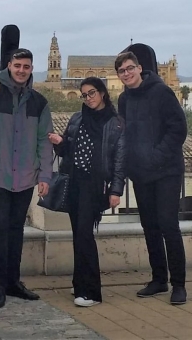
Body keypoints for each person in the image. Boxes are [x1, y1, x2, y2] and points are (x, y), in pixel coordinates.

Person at [0, 48, 53, 308]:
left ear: (31, 68)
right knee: (0, 229)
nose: (21, 70)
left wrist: (45, 175)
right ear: (9, 65)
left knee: (17, 231)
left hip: (26, 178)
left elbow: (44, 140)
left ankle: (13, 282)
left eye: (26, 66)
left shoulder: (39, 103)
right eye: (17, 65)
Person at [115, 51, 188, 305]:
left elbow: (178, 128)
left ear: (139, 68)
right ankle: (159, 280)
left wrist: (156, 157)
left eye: (129, 68)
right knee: (150, 227)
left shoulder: (161, 92)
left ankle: (179, 285)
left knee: (169, 226)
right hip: (142, 174)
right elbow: (124, 134)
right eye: (121, 71)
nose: (126, 74)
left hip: (167, 171)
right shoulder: (124, 99)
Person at [48, 77, 125, 307]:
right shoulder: (77, 118)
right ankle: (79, 282)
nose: (88, 98)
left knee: (84, 235)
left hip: (95, 186)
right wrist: (59, 142)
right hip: (75, 183)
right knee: (78, 235)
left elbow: (119, 159)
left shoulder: (115, 123)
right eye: (84, 94)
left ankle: (91, 292)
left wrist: (116, 190)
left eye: (92, 93)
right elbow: (68, 150)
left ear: (102, 93)